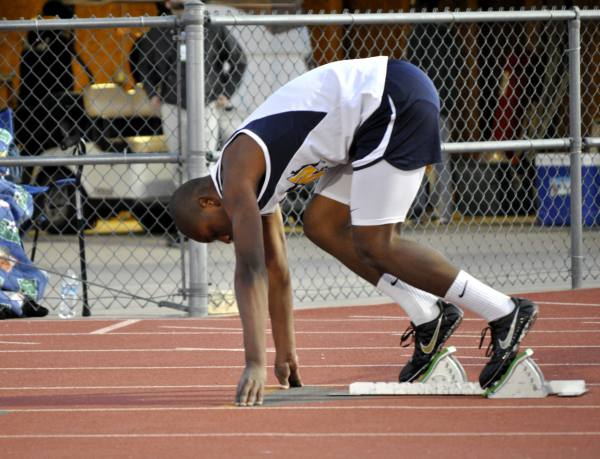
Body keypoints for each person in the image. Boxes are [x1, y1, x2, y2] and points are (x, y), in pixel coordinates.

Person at [169, 56, 539, 407]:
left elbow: (251, 270)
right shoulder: (246, 185)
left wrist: (254, 364)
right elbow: (277, 269)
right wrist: (284, 351)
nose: (223, 239)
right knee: (320, 225)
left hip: (389, 99)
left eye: (211, 233)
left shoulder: (236, 175)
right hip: (363, 124)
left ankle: (504, 312)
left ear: (207, 203)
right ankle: (428, 314)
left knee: (377, 242)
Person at [136, 0, 247, 156]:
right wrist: (152, 92)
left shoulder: (213, 27)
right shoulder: (158, 31)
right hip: (172, 103)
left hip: (206, 103)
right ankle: (180, 182)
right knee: (177, 159)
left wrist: (227, 92)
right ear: (167, 4)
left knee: (206, 158)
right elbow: (144, 66)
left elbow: (239, 61)